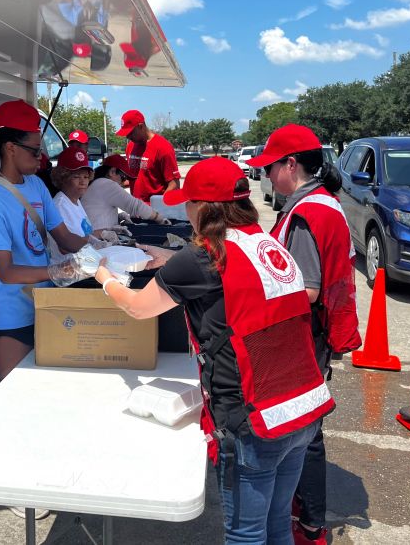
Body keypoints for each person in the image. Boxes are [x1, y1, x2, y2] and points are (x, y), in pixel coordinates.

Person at [94, 157, 334, 544]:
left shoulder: (203, 254)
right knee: (276, 526)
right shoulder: (264, 241)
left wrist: (103, 276)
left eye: (188, 203)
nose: (185, 211)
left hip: (254, 419)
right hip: (302, 406)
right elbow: (225, 277)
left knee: (245, 535)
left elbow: (138, 307)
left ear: (204, 207)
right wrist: (171, 261)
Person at [247, 124, 361, 545]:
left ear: (290, 164)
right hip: (319, 330)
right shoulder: (321, 203)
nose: (266, 176)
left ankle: (311, 522)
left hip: (305, 332)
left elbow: (305, 287)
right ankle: (307, 514)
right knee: (306, 428)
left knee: (304, 431)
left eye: (270, 167)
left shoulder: (308, 212)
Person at [0, 100, 88, 381]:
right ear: (11, 148)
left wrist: (99, 245)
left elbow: (65, 239)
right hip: (10, 314)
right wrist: (54, 271)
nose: (42, 158)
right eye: (36, 151)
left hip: (43, 304)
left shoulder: (36, 185)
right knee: (16, 391)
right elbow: (6, 272)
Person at [83, 154, 171, 230]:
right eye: (123, 177)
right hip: (97, 239)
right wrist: (159, 218)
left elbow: (98, 212)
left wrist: (117, 217)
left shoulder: (97, 183)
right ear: (112, 172)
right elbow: (135, 206)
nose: (123, 182)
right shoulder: (106, 184)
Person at [117, 109, 181, 203]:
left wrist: (160, 207)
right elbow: (138, 178)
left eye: (130, 133)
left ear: (141, 126)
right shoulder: (130, 147)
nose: (128, 137)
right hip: (136, 210)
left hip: (155, 213)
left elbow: (174, 184)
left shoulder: (163, 147)